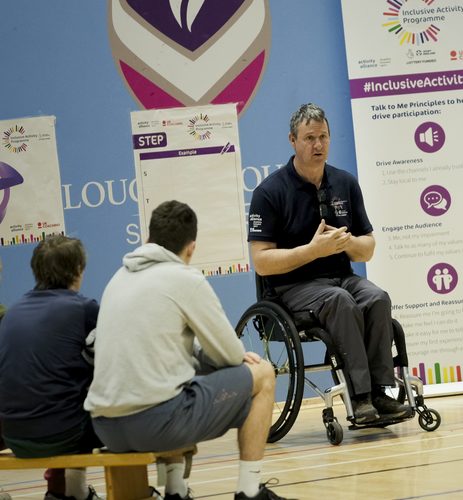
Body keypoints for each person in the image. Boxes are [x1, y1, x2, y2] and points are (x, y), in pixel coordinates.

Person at [84, 201, 286, 500]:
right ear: (191, 249)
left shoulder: (118, 278)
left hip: (105, 427)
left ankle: (176, 490)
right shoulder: (184, 278)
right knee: (264, 374)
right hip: (156, 424)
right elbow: (230, 356)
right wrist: (216, 355)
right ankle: (250, 490)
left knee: (174, 378)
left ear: (148, 239)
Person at [247, 103, 413, 424]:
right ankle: (360, 398)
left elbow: (367, 250)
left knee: (377, 297)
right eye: (309, 138)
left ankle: (381, 391)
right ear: (292, 140)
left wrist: (346, 242)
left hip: (341, 277)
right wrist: (312, 250)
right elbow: (262, 262)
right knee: (341, 302)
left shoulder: (345, 183)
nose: (318, 145)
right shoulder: (269, 192)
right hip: (292, 287)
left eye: (323, 137)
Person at [0, 236, 101, 500]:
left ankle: (61, 490)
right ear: (79, 270)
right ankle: (77, 493)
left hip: (14, 436)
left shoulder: (12, 313)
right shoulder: (84, 309)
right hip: (63, 435)